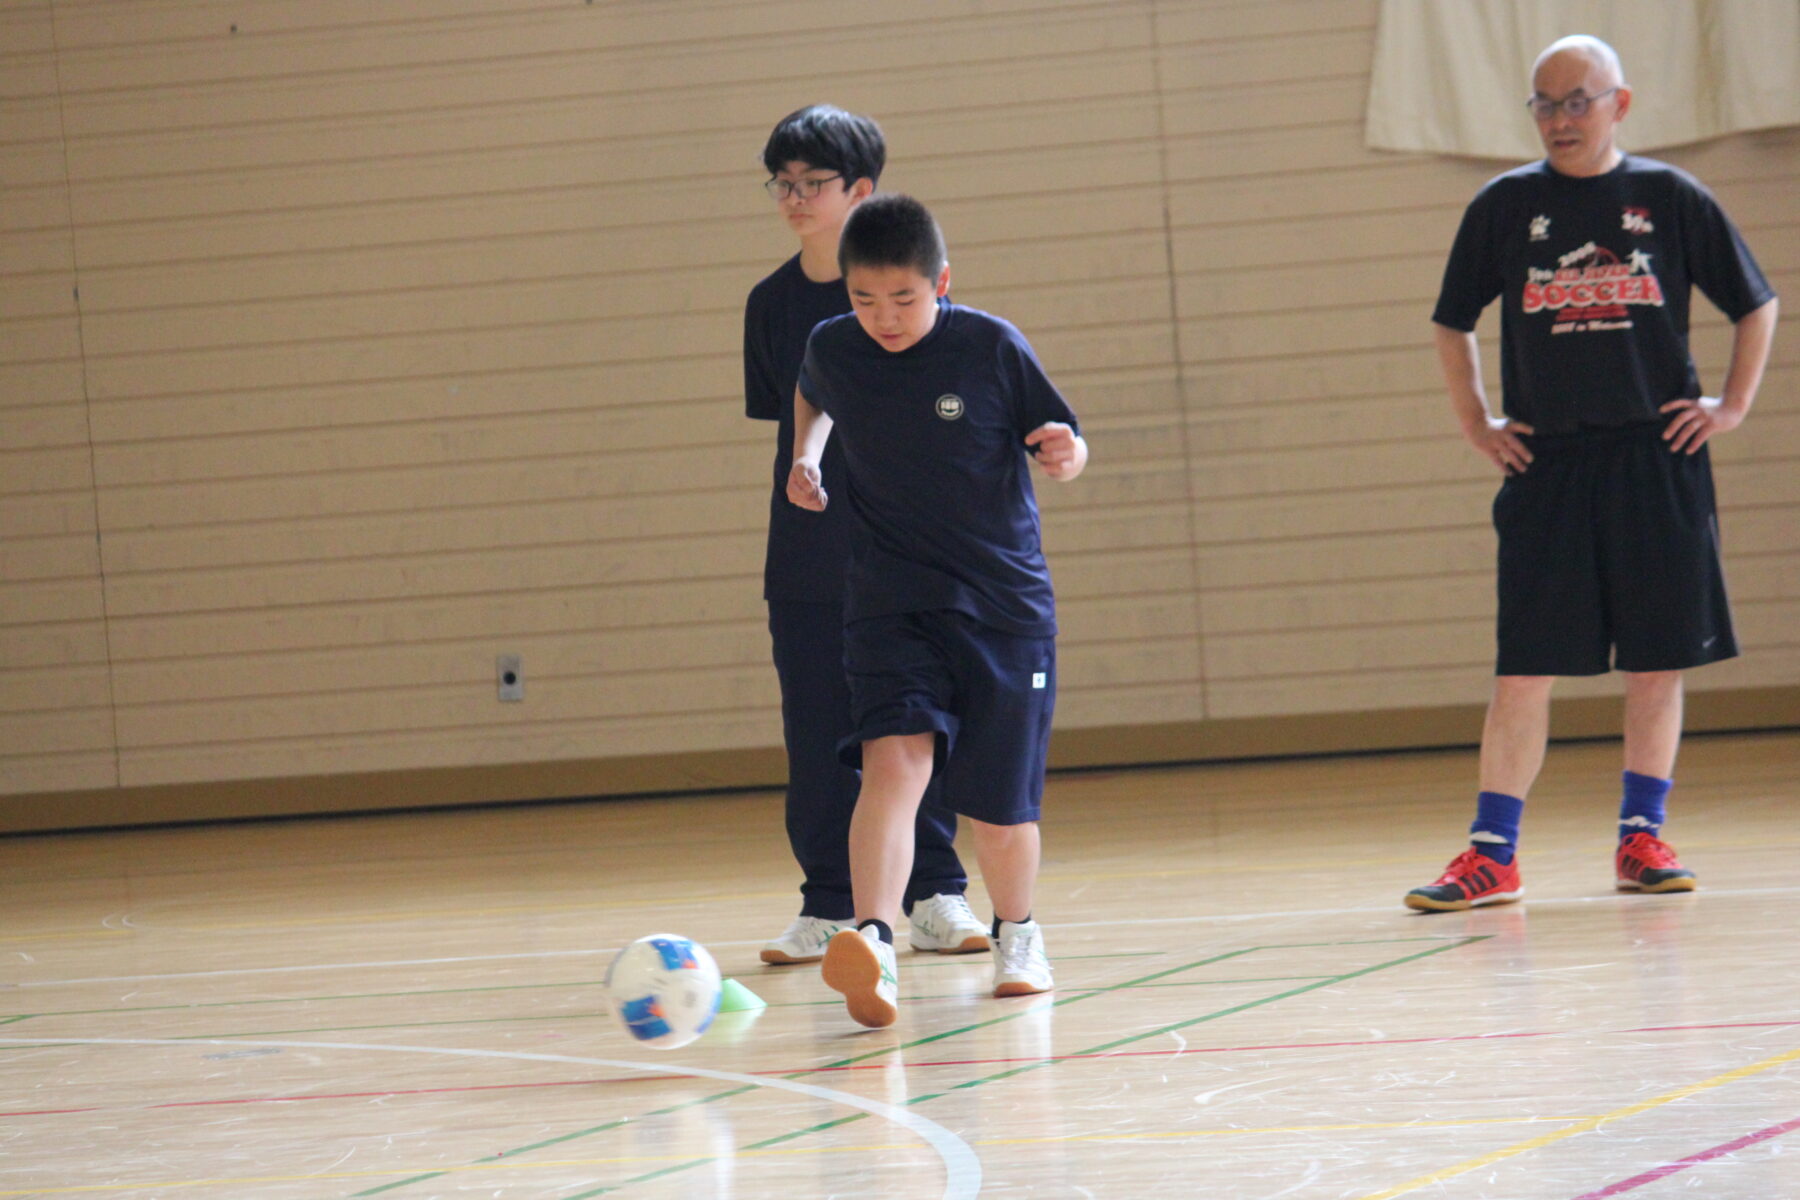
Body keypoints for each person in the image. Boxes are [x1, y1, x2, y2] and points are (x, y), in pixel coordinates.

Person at [1410, 35, 1778, 912]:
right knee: (1523, 668)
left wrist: (1728, 407)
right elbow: (1452, 320)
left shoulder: (1670, 198)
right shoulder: (1505, 206)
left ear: (1620, 103)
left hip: (1658, 457)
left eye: (1577, 101)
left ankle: (1640, 837)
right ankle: (1492, 852)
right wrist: (1475, 420)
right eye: (1544, 103)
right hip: (1550, 462)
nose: (1560, 119)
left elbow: (1757, 304)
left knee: (1657, 662)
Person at [787, 193, 1089, 1026]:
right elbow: (812, 392)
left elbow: (1059, 429)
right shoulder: (833, 347)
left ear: (942, 283)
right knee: (894, 765)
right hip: (890, 602)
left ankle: (1019, 935)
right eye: (863, 299)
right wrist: (804, 455)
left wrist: (1066, 453)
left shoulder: (991, 347)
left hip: (1001, 607)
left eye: (904, 299)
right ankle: (874, 942)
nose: (882, 317)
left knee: (998, 810)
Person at [743, 107, 989, 964]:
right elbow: (794, 418)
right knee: (816, 732)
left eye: (814, 183)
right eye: (783, 182)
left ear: (861, 191)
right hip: (810, 557)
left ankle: (937, 893)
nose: (794, 198)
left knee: (913, 729)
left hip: (910, 557)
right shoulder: (771, 306)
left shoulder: (914, 302)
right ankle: (827, 903)